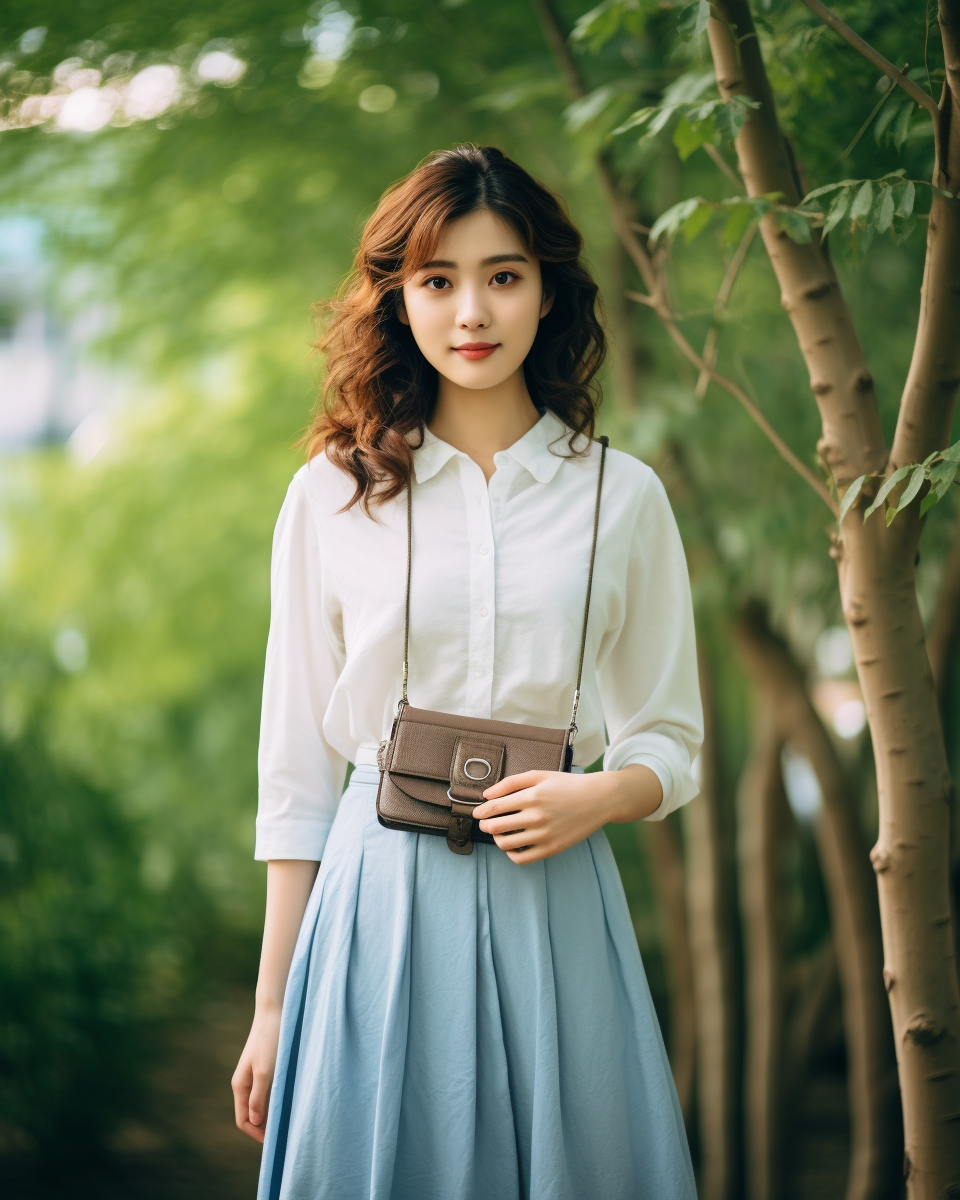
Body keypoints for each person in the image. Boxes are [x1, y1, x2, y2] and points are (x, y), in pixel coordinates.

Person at [232, 144, 703, 1200]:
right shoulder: (332, 496)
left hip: (558, 899)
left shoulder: (622, 498)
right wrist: (271, 1008)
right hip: (377, 902)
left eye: (503, 275)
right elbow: (297, 777)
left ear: (547, 291)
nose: (472, 312)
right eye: (438, 281)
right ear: (398, 300)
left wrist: (600, 795)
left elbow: (670, 741)